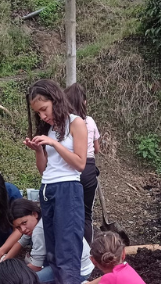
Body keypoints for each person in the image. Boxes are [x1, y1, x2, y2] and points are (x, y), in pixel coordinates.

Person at [23, 79, 88, 284]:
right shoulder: (49, 129)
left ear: (56, 100)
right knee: (53, 250)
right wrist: (38, 150)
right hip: (47, 189)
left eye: (44, 109)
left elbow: (80, 163)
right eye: (38, 113)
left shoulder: (76, 123)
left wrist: (54, 144)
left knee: (67, 248)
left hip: (68, 189)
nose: (43, 116)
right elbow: (44, 170)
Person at [4, 198, 94, 284]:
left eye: (24, 223)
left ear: (34, 214)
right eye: (18, 227)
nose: (23, 229)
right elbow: (22, 241)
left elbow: (36, 267)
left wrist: (13, 275)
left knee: (23, 281)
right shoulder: (45, 218)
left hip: (77, 272)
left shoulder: (38, 231)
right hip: (86, 264)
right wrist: (5, 260)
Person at [65, 83, 101, 244]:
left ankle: (71, 247)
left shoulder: (64, 123)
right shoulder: (90, 121)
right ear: (84, 102)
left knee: (68, 213)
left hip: (69, 168)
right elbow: (97, 149)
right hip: (88, 169)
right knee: (86, 215)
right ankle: (86, 251)